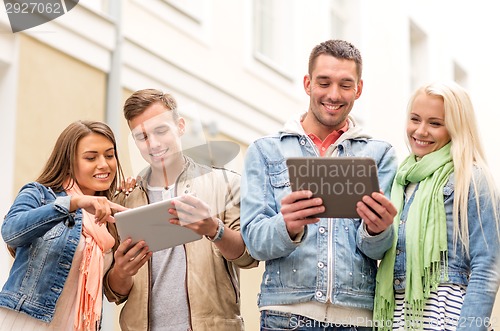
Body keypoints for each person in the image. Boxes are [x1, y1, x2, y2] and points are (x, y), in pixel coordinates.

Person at [240, 39, 398, 330]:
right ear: (307, 83)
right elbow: (253, 242)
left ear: (359, 89)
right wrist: (286, 225)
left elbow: (379, 250)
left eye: (345, 85)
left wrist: (379, 230)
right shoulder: (265, 151)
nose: (334, 95)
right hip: (284, 317)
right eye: (324, 82)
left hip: (356, 318)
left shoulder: (380, 154)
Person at [103, 89, 258, 331]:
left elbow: (248, 256)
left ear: (181, 126)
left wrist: (213, 229)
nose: (153, 144)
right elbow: (114, 293)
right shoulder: (123, 200)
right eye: (141, 136)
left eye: (161, 131)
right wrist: (122, 271)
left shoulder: (225, 184)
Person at [367, 81, 500, 331]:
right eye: (415, 119)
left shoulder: (472, 177)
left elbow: (487, 267)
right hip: (397, 319)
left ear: (456, 128)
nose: (421, 130)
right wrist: (373, 230)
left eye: (435, 123)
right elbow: (373, 252)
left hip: (446, 318)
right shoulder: (399, 179)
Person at [0, 120, 126, 331]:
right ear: (69, 162)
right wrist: (73, 203)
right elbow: (11, 232)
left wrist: (124, 267)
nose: (104, 164)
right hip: (26, 323)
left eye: (110, 155)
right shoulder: (40, 194)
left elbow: (113, 291)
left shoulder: (110, 217)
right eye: (91, 157)